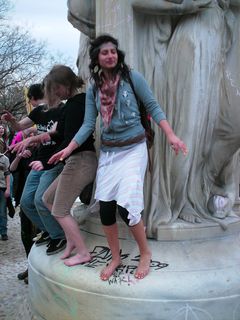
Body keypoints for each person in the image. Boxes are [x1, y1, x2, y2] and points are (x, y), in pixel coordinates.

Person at [48, 34, 187, 280]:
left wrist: (172, 136)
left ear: (117, 54)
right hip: (110, 153)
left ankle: (144, 253)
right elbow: (88, 124)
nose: (110, 55)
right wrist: (68, 149)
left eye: (113, 51)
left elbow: (153, 106)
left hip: (134, 149)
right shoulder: (94, 90)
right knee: (106, 209)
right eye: (105, 52)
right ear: (97, 58)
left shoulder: (133, 78)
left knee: (129, 206)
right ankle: (115, 257)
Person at [14, 65, 98, 267]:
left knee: (59, 209)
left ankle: (83, 252)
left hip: (82, 160)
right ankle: (69, 242)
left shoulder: (78, 102)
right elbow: (57, 134)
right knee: (47, 199)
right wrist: (33, 140)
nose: (54, 93)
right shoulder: (71, 104)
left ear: (65, 85)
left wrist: (45, 159)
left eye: (55, 89)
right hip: (74, 160)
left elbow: (68, 138)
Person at [2, 82, 66, 255]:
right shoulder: (38, 111)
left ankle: (58, 235)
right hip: (38, 162)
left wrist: (31, 140)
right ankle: (49, 230)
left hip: (54, 163)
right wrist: (12, 120)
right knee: (26, 202)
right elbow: (19, 127)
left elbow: (57, 133)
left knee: (40, 200)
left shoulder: (63, 110)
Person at [10, 128, 39, 283]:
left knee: (38, 237)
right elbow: (11, 169)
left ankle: (38, 269)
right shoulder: (22, 152)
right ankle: (30, 267)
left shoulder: (42, 152)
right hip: (24, 201)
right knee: (26, 236)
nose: (32, 138)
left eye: (35, 135)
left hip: (38, 204)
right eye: (29, 136)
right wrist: (19, 157)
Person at [0, 150, 10, 240]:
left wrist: (8, 188)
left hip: (2, 188)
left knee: (2, 211)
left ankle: (3, 232)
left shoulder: (4, 159)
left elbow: (7, 174)